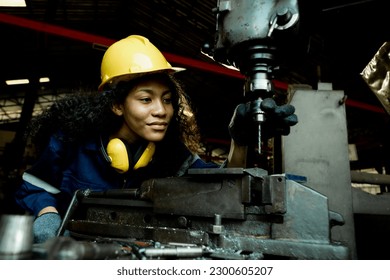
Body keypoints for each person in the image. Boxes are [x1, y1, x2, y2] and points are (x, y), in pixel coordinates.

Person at [14, 35, 297, 244]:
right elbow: (33, 187)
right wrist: (47, 215)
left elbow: (222, 185)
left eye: (167, 100)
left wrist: (240, 139)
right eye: (146, 99)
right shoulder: (69, 142)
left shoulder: (172, 154)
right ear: (117, 105)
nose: (161, 111)